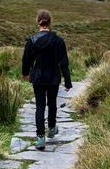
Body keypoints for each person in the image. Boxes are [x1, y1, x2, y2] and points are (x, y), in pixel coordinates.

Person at [21, 9, 72, 150]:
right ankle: (51, 127)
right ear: (50, 22)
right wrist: (67, 81)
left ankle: (40, 138)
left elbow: (26, 60)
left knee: (40, 106)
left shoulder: (32, 41)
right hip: (53, 77)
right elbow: (64, 62)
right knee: (52, 103)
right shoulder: (58, 40)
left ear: (38, 22)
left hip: (37, 77)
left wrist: (25, 73)